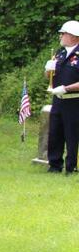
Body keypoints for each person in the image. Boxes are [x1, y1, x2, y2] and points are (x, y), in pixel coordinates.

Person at [45, 20, 79, 174]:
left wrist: (66, 88)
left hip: (74, 100)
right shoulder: (60, 52)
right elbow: (50, 77)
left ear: (74, 36)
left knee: (72, 134)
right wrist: (48, 70)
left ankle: (72, 167)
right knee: (55, 132)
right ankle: (54, 164)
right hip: (58, 99)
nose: (61, 36)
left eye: (63, 33)